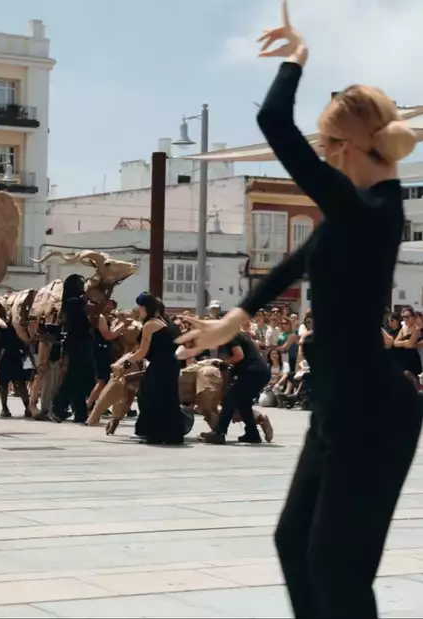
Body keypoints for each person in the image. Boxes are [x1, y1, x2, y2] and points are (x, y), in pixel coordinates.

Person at [176, 3, 420, 615]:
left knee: (338, 573)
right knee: (295, 545)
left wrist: (297, 55)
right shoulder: (353, 213)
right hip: (343, 406)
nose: (326, 155)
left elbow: (271, 120)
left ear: (347, 145)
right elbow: (300, 261)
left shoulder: (374, 207)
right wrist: (237, 316)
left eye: (330, 144)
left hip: (372, 413)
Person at [121, 293, 185, 444]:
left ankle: (154, 434)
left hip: (159, 366)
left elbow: (142, 351)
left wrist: (127, 361)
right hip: (171, 364)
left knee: (150, 397)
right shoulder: (168, 323)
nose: (139, 309)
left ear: (144, 307)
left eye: (140, 306)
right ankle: (172, 435)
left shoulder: (150, 325)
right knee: (169, 399)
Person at [197, 329, 269, 444]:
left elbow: (239, 356)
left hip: (253, 373)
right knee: (243, 403)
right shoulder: (239, 334)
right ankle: (252, 433)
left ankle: (219, 433)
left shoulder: (230, 335)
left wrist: (225, 362)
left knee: (230, 399)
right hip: (260, 372)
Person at [49, 274, 94, 423]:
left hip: (81, 342)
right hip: (76, 343)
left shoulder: (76, 302)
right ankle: (57, 408)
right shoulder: (71, 302)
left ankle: (79, 412)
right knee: (73, 378)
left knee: (77, 378)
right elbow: (86, 299)